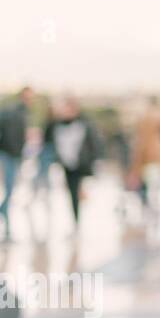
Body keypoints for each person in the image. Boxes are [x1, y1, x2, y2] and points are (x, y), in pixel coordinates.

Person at [43, 96, 102, 230]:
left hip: (81, 164)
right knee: (72, 192)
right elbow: (48, 138)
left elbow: (94, 143)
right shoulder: (56, 125)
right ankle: (76, 221)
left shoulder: (84, 124)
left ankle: (77, 220)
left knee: (77, 191)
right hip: (66, 164)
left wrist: (95, 160)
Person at [0, 86, 34, 241]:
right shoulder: (14, 112)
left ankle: (5, 221)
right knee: (9, 189)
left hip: (13, 155)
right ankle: (6, 225)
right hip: (9, 154)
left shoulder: (22, 113)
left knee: (11, 189)